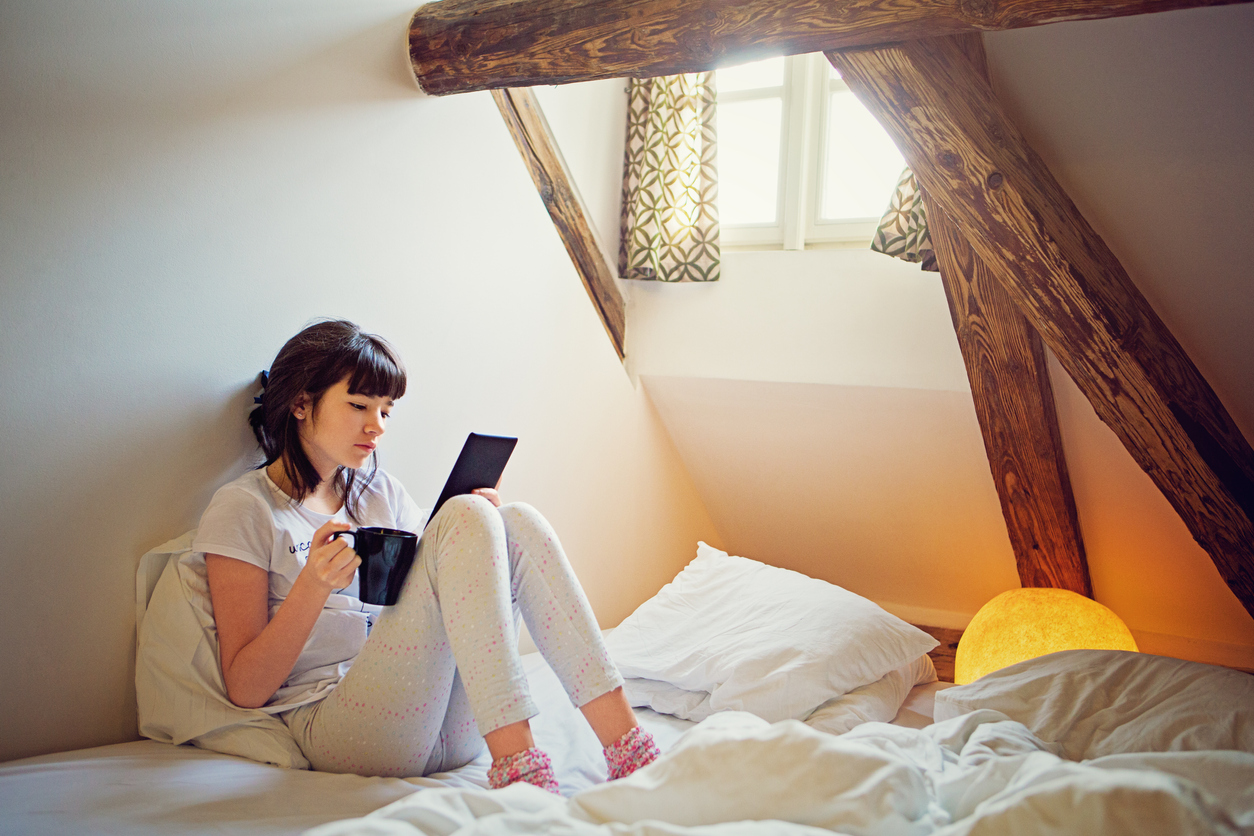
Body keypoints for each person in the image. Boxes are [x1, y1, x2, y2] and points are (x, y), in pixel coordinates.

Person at [194, 319, 658, 789]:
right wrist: (312, 587)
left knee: (516, 520)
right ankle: (521, 772)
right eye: (358, 406)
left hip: (448, 730)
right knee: (465, 515)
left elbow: (447, 588)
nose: (376, 426)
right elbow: (245, 688)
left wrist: (484, 524)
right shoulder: (246, 508)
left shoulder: (380, 493)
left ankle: (631, 749)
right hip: (342, 730)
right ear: (300, 403)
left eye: (386, 411)